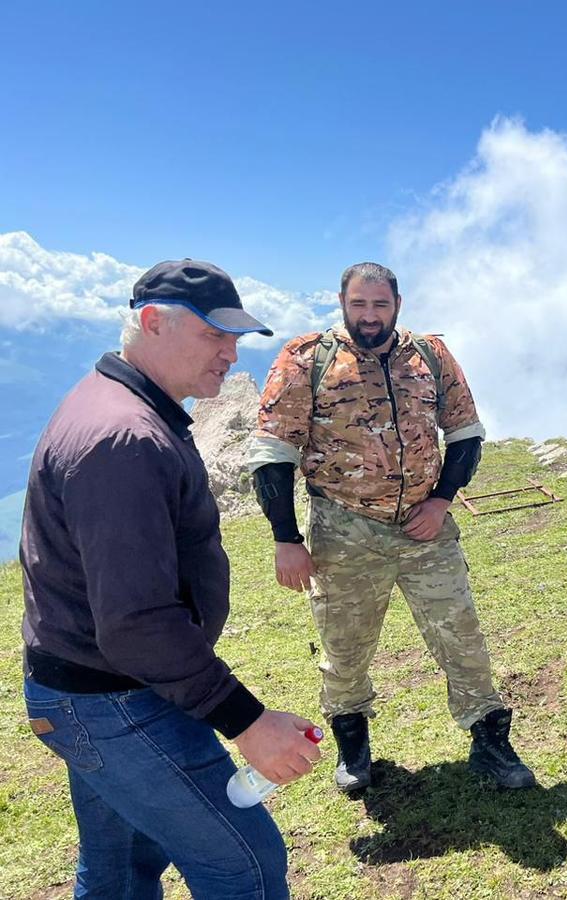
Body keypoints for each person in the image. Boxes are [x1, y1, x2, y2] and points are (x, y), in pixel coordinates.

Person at [21, 259, 320, 899]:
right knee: (244, 864)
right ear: (152, 323)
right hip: (114, 700)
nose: (233, 355)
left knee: (120, 871)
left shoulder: (126, 408)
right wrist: (247, 721)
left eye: (238, 339)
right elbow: (136, 622)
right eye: (217, 336)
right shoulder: (124, 437)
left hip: (96, 689)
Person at [246, 261, 534, 794]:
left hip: (425, 527)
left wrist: (442, 501)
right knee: (345, 646)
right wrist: (286, 539)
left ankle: (490, 741)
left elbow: (466, 432)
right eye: (359, 305)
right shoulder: (306, 358)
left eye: (380, 305)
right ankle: (353, 747)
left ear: (397, 304)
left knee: (461, 636)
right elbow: (273, 453)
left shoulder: (429, 355)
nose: (370, 316)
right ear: (341, 302)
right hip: (344, 529)